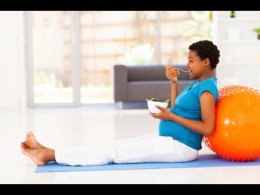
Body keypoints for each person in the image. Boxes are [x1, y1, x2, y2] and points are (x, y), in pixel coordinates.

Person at [21, 40, 220, 166]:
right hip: (169, 140)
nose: (186, 64)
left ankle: (47, 155)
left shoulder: (208, 89)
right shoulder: (197, 84)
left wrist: (170, 116)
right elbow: (177, 106)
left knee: (112, 151)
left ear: (206, 62)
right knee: (112, 145)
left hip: (180, 148)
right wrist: (173, 83)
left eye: (191, 60)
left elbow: (208, 128)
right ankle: (49, 151)